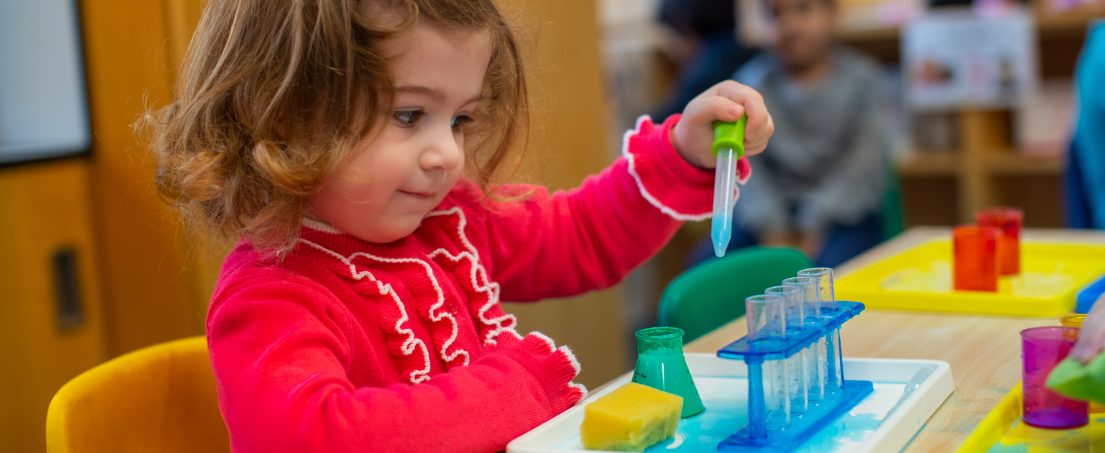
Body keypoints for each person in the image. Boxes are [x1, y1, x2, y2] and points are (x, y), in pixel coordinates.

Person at [147, 1, 773, 451]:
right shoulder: (271, 293)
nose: (446, 152)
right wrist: (514, 390)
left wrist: (682, 154)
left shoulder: (450, 219)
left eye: (460, 120)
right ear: (286, 110)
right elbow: (310, 436)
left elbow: (580, 235)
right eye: (410, 113)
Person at [688, 0, 890, 268]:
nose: (790, 25)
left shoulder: (864, 81)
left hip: (841, 217)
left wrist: (814, 224)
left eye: (804, 9)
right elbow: (745, 169)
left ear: (832, 15)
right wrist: (772, 228)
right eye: (775, 14)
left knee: (832, 279)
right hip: (769, 218)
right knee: (705, 267)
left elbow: (863, 164)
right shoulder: (748, 86)